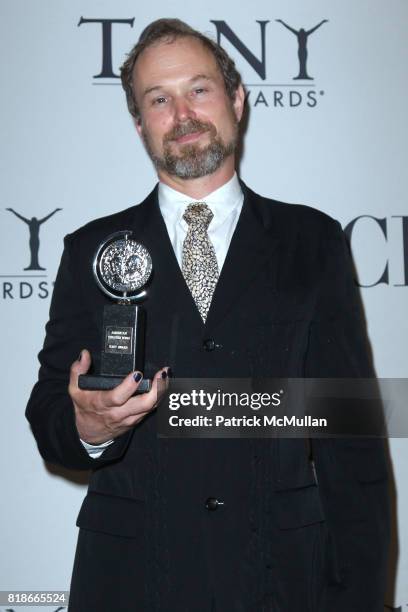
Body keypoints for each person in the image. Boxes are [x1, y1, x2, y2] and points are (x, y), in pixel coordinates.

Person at [26, 18, 390, 612]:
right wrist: (90, 428)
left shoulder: (312, 242)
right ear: (140, 123)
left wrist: (362, 597)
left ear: (237, 100)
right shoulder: (90, 250)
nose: (183, 113)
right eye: (159, 99)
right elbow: (48, 416)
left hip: (282, 582)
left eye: (199, 89)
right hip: (132, 584)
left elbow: (353, 444)